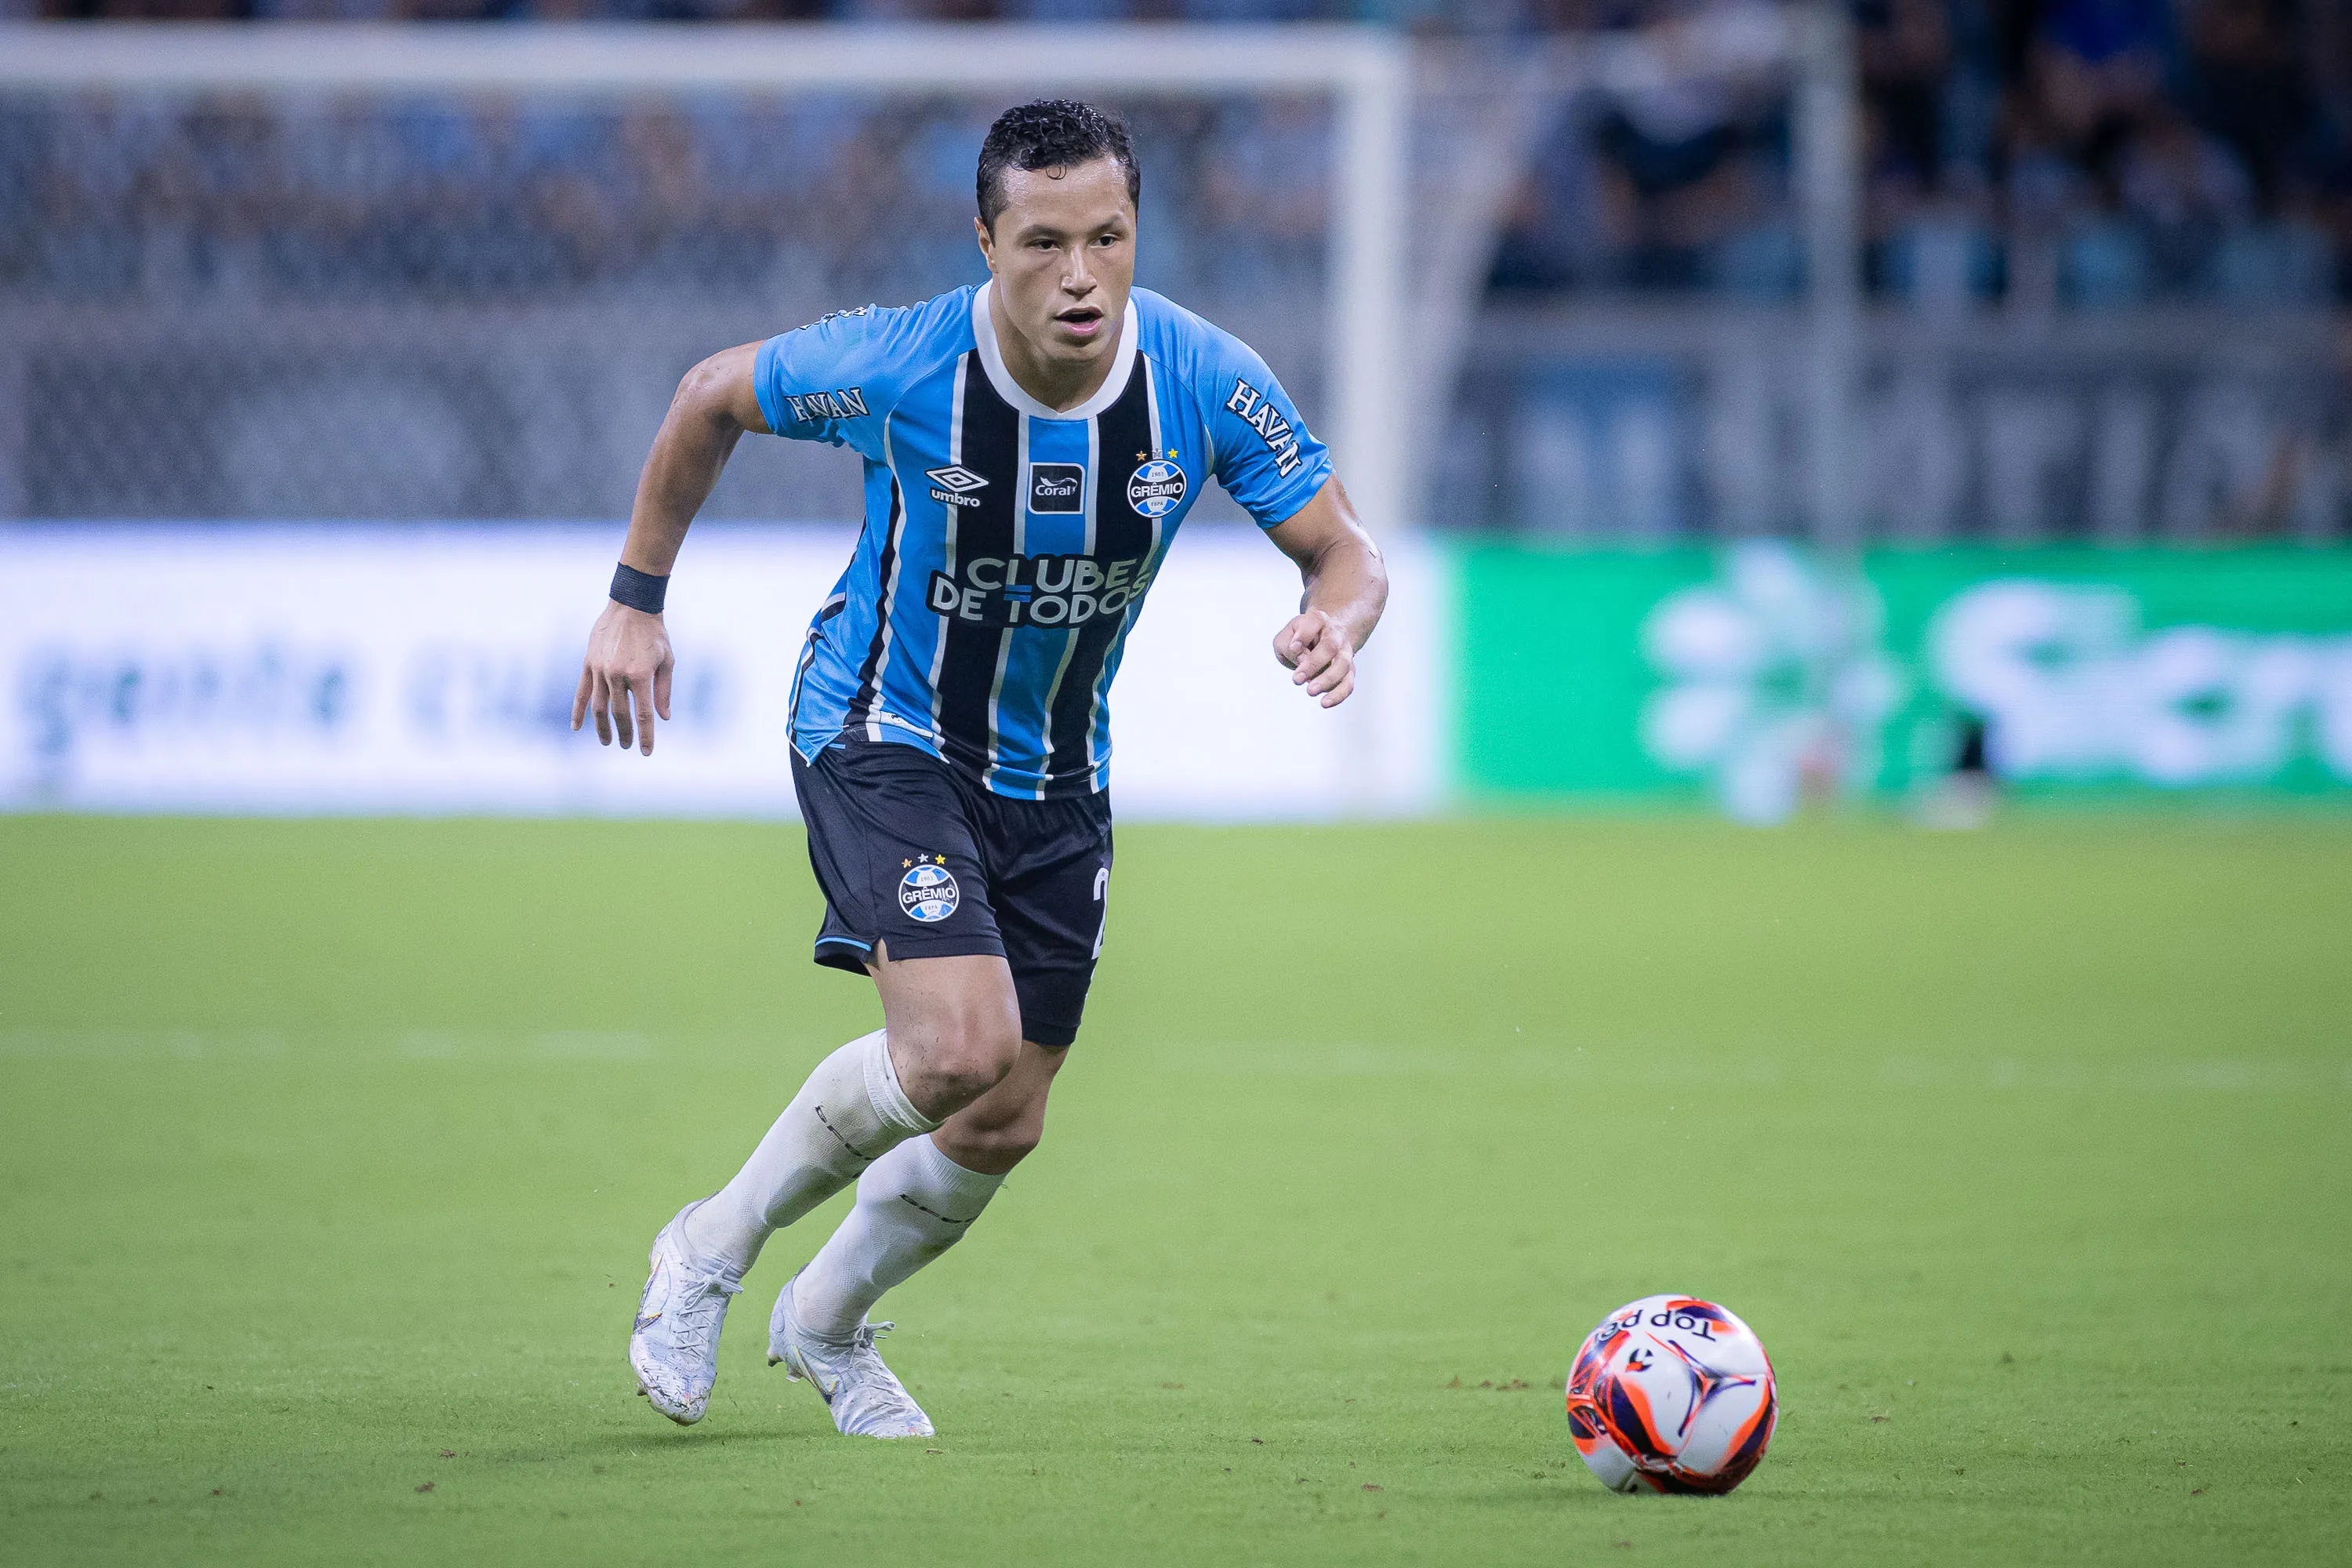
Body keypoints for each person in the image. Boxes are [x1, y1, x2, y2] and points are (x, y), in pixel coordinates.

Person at [572, 100, 1387, 1440]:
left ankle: (825, 1326)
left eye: (1109, 238)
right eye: (1043, 243)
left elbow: (1346, 551)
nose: (1081, 275)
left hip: (1057, 771)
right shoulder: (900, 365)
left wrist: (1333, 622)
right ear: (986, 242)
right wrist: (633, 600)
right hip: (882, 728)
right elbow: (708, 394)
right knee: (955, 1047)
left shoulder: (1203, 377)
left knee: (1005, 1116)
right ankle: (707, 1249)